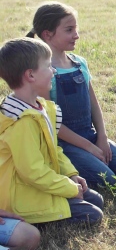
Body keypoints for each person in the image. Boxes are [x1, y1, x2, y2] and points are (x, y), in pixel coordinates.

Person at [27, 2, 116, 189]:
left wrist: (101, 137)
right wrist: (88, 147)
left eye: (76, 29)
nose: (76, 35)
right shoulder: (44, 72)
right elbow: (51, 123)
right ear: (48, 34)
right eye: (69, 30)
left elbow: (94, 105)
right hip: (64, 144)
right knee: (108, 181)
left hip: (90, 135)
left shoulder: (80, 63)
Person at [0, 38, 104, 227]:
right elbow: (33, 172)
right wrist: (69, 189)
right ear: (30, 75)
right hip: (23, 198)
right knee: (93, 214)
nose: (54, 70)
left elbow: (53, 148)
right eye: (48, 66)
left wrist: (71, 174)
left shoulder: (43, 108)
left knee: (96, 199)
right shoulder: (20, 122)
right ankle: (36, 220)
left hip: (42, 185)